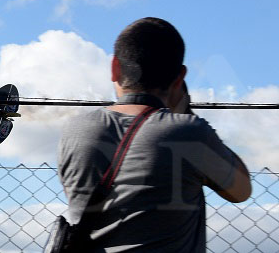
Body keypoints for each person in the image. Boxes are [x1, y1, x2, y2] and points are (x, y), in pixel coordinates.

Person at [58, 17, 251, 252]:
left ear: (114, 68)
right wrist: (184, 112)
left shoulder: (74, 130)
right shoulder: (189, 132)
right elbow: (241, 190)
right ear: (180, 77)